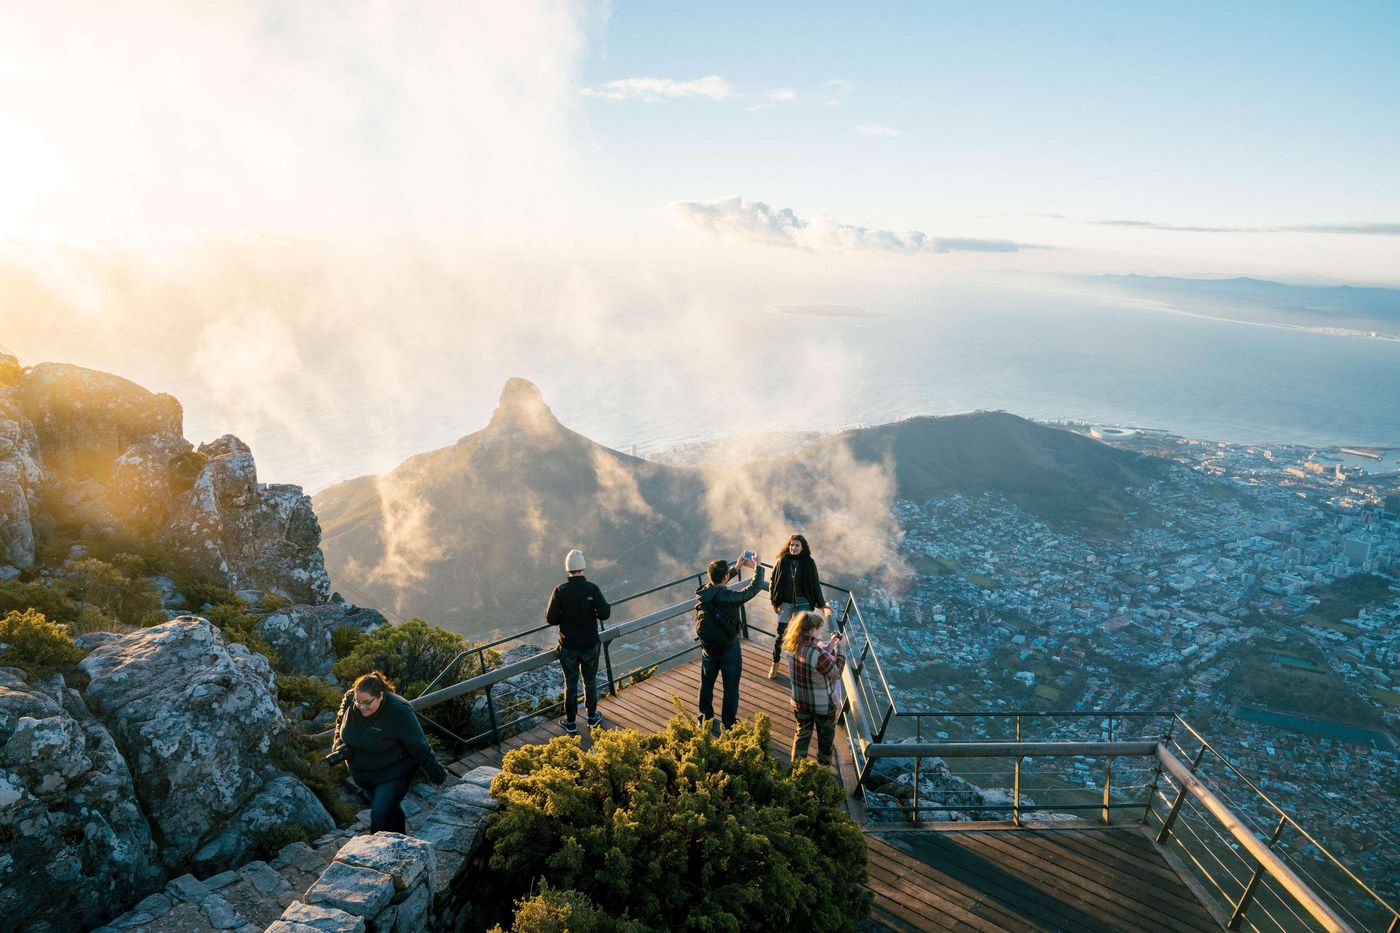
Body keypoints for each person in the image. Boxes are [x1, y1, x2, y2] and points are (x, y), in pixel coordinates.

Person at [326, 670, 448, 834]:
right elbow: (340, 720)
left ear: (381, 696)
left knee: (379, 815)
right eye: (358, 701)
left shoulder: (399, 711)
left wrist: (437, 774)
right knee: (389, 809)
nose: (362, 706)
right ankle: (402, 840)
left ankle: (378, 853)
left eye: (367, 703)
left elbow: (419, 745)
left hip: (394, 772)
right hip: (363, 774)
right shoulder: (351, 697)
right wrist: (338, 742)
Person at [694, 552, 766, 733]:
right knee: (731, 687)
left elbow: (718, 585)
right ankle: (729, 723)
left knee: (706, 684)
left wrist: (736, 568)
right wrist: (758, 566)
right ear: (725, 577)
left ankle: (704, 718)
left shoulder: (704, 592)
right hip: (729, 648)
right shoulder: (728, 598)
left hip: (708, 648)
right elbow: (753, 589)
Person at [545, 548, 612, 735]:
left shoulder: (560, 591)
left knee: (571, 683)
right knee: (590, 682)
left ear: (568, 569)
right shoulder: (592, 588)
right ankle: (592, 717)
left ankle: (571, 723)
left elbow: (550, 618)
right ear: (583, 568)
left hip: (568, 647)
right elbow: (605, 613)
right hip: (590, 644)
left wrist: (564, 619)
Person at [784, 608, 846, 767]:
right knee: (825, 739)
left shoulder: (792, 646)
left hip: (800, 701)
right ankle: (823, 767)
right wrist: (841, 649)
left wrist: (831, 645)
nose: (821, 631)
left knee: (802, 734)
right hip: (822, 706)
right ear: (812, 630)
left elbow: (814, 661)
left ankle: (796, 768)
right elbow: (836, 673)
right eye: (819, 628)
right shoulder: (817, 654)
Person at [768, 533, 827, 679]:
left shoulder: (808, 562)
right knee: (781, 635)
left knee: (803, 637)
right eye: (792, 545)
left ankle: (801, 668)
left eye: (797, 545)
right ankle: (775, 664)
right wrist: (774, 601)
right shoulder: (782, 560)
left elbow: (815, 583)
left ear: (802, 547)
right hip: (785, 602)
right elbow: (773, 581)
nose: (793, 548)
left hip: (803, 602)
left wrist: (822, 604)